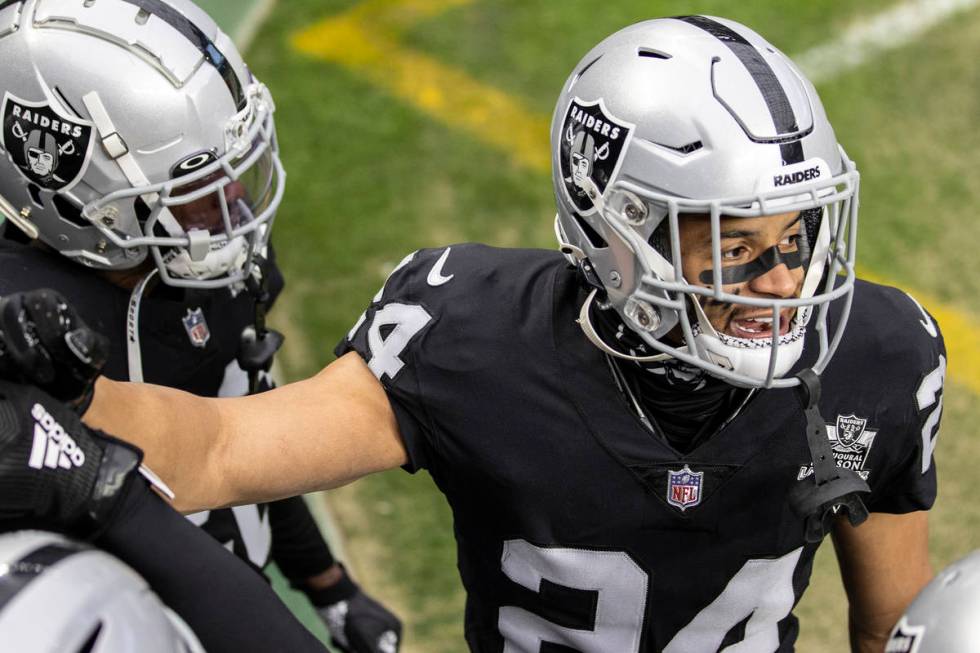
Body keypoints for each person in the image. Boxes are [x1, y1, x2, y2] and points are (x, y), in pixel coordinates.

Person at [0, 15, 945, 653]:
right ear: (615, 231)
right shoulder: (471, 335)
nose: (784, 282)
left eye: (800, 236)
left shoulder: (881, 351)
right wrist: (63, 403)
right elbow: (218, 447)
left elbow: (891, 628)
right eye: (733, 249)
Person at [0, 1, 400, 651]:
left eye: (230, 172)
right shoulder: (20, 334)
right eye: (198, 184)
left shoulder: (210, 264)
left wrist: (329, 586)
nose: (234, 203)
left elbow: (246, 425)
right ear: (62, 177)